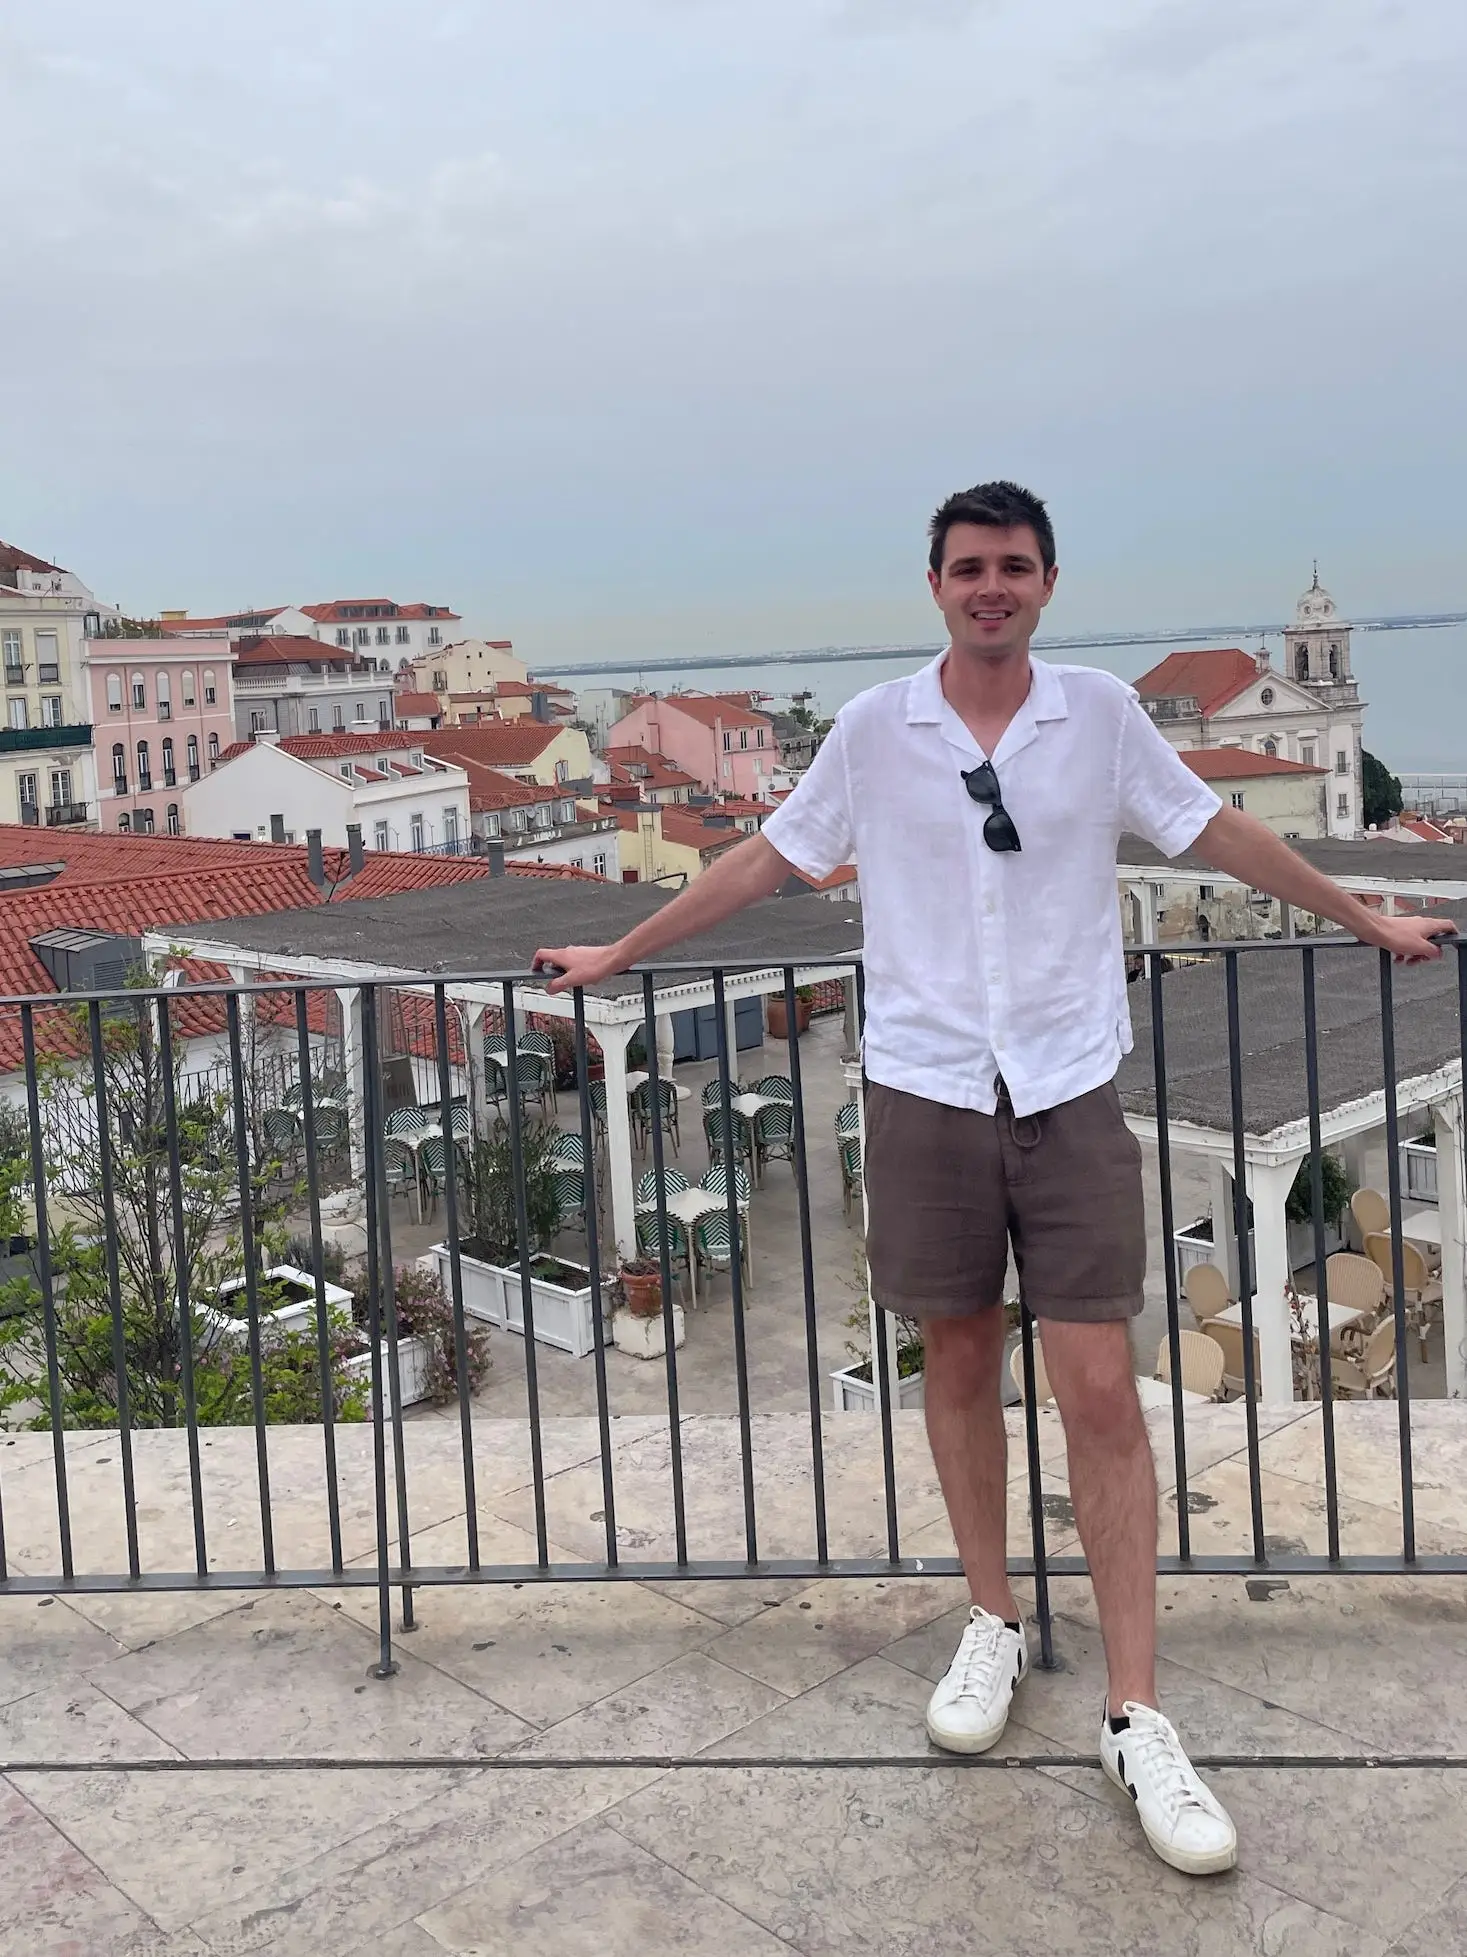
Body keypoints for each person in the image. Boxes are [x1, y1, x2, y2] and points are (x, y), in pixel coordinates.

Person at [535, 480, 1452, 1876]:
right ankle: (992, 1619)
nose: (990, 587)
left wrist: (1357, 909)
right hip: (923, 1087)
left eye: (1012, 567)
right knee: (955, 1364)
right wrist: (620, 958)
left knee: (1096, 1386)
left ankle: (1135, 1710)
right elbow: (761, 862)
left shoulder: (1094, 715)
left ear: (1045, 581)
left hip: (1070, 1088)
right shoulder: (871, 731)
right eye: (968, 567)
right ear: (935, 584)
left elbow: (1219, 833)